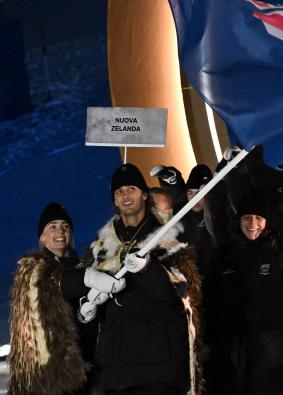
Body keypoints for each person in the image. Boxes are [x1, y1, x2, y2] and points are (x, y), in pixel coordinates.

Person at [86, 163, 202, 394]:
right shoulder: (99, 248)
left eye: (131, 188)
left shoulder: (170, 236)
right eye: (119, 191)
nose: (125, 195)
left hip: (157, 371)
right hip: (114, 373)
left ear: (144, 194)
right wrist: (86, 301)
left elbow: (180, 297)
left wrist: (148, 269)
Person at [9, 203, 124, 394]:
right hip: (48, 379)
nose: (60, 231)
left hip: (86, 374)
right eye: (52, 226)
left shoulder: (81, 267)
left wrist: (89, 312)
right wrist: (88, 278)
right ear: (43, 238)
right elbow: (54, 281)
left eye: (65, 226)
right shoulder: (31, 270)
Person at [207, 192, 283, 395]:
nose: (252, 223)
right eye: (247, 217)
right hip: (233, 349)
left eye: (259, 218)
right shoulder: (224, 255)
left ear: (267, 221)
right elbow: (211, 301)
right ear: (238, 220)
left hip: (272, 350)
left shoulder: (280, 253)